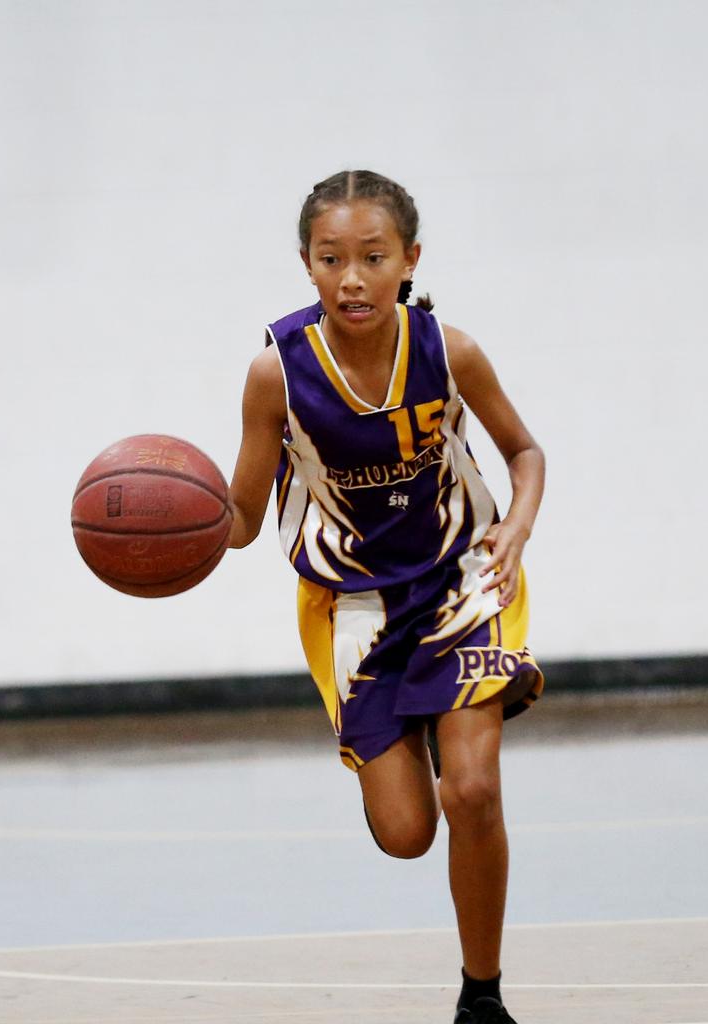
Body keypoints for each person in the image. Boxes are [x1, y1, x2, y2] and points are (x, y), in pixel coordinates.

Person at [227, 169, 545, 1024]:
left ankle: (482, 998)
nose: (353, 277)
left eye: (373, 257)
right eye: (333, 259)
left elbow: (524, 453)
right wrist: (168, 530)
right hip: (354, 605)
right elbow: (242, 522)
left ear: (409, 259)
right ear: (307, 264)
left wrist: (514, 528)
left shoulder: (450, 350)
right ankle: (414, 733)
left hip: (462, 580)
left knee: (471, 791)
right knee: (409, 834)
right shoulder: (276, 374)